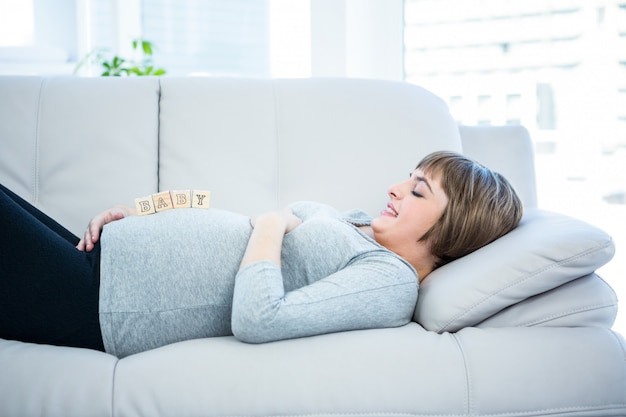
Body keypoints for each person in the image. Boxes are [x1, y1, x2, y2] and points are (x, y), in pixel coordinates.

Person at [0, 151, 522, 357]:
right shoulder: (362, 225)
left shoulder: (389, 281)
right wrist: (140, 210)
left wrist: (273, 224)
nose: (395, 189)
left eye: (418, 191)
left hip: (101, 302)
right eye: (408, 179)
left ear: (452, 229)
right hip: (103, 258)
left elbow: (258, 317)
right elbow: (230, 219)